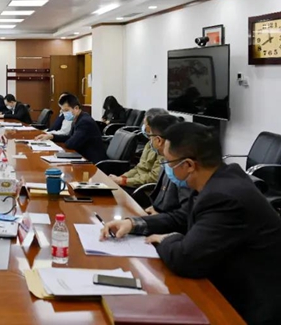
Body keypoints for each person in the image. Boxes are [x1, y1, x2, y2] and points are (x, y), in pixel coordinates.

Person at [100, 122, 281, 325]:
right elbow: (181, 217)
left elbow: (185, 259)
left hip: (249, 306)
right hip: (225, 282)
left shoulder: (224, 196)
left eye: (168, 162)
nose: (166, 168)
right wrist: (134, 224)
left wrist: (167, 239)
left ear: (188, 165)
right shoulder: (218, 179)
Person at [143, 114, 192, 215]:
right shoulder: (165, 161)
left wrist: (159, 216)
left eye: (150, 136)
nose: (150, 141)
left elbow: (185, 214)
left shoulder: (181, 166)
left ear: (158, 140)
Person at [109, 108, 168, 189]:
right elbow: (139, 168)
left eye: (145, 123)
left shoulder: (163, 149)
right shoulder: (150, 142)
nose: (143, 126)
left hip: (144, 189)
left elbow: (153, 178)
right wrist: (121, 178)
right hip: (135, 182)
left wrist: (123, 181)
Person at [42, 94, 107, 164]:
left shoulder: (84, 122)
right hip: (83, 157)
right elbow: (70, 137)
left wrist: (66, 142)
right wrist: (52, 136)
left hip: (93, 162)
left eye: (66, 110)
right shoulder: (78, 118)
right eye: (63, 111)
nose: (64, 114)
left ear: (76, 108)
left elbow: (71, 144)